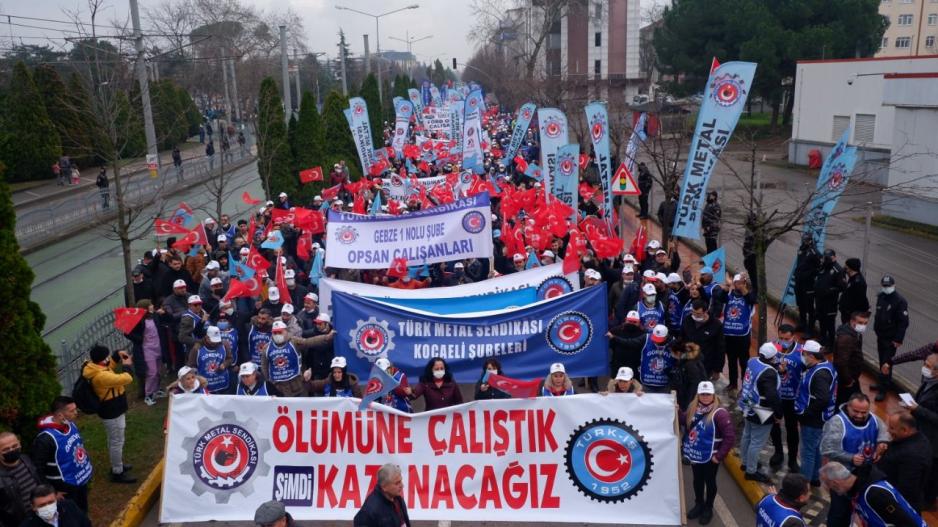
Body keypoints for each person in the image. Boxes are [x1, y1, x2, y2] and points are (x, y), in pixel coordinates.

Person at [821, 392, 890, 527]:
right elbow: (826, 449)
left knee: (859, 511)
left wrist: (882, 444)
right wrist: (850, 458)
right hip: (841, 477)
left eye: (863, 412)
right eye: (856, 411)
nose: (859, 415)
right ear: (848, 407)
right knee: (839, 512)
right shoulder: (836, 422)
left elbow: (884, 434)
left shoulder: (875, 420)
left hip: (865, 476)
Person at [81, 345, 136, 484]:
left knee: (114, 440)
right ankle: (117, 471)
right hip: (112, 411)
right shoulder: (101, 376)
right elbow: (127, 378)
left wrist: (117, 354)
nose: (108, 358)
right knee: (117, 442)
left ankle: (118, 465)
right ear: (101, 360)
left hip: (113, 409)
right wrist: (127, 364)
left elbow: (109, 365)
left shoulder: (95, 368)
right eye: (106, 356)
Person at [682, 381, 733, 525]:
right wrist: (675, 408)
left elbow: (729, 437)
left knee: (710, 481)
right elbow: (683, 420)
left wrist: (719, 456)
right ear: (698, 395)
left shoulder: (720, 414)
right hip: (695, 454)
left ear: (713, 395)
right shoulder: (693, 408)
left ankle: (708, 508)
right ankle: (699, 504)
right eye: (703, 394)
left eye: (708, 394)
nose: (705, 397)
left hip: (711, 457)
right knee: (697, 480)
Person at [893, 349, 938, 511]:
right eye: (925, 363)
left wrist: (917, 409)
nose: (924, 367)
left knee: (931, 472)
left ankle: (928, 500)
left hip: (934, 439)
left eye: (928, 365)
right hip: (922, 431)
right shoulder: (928, 381)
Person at [31, 397, 92, 512]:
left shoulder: (70, 425)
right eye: (72, 411)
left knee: (83, 512)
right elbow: (37, 469)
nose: (76, 413)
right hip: (64, 489)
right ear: (60, 415)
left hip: (79, 481)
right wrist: (52, 492)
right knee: (71, 516)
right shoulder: (45, 439)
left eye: (75, 409)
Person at [820, 461, 926, 527]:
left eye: (828, 486)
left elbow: (907, 523)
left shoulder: (875, 494)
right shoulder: (856, 490)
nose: (830, 491)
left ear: (835, 483)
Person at [738, 343, 782, 484]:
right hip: (761, 409)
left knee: (747, 435)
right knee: (756, 442)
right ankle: (751, 471)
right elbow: (772, 396)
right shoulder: (769, 373)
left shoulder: (753, 361)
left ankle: (745, 462)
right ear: (772, 357)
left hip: (747, 403)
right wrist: (779, 414)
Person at [877, 412, 933, 513]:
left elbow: (906, 489)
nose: (888, 430)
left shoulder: (912, 455)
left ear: (904, 430)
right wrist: (886, 446)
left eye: (892, 428)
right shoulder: (919, 438)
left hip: (896, 506)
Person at [264, 321, 335, 396]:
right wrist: (270, 382)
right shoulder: (267, 348)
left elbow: (309, 342)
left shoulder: (293, 341)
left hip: (296, 387)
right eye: (275, 333)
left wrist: (326, 337)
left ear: (285, 331)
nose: (277, 335)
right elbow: (264, 366)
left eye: (279, 332)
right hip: (278, 389)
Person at [712, 273, 757, 391]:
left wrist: (744, 289)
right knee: (731, 361)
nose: (738, 285)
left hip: (743, 336)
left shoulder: (749, 296)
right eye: (736, 282)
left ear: (745, 283)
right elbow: (720, 297)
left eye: (741, 283)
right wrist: (727, 287)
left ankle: (745, 386)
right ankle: (733, 384)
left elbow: (752, 299)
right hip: (728, 335)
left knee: (744, 362)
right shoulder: (729, 295)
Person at [769, 325, 804, 471]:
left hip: (793, 398)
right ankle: (778, 452)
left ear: (793, 337)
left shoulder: (801, 352)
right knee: (774, 425)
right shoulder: (772, 348)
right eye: (781, 338)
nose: (783, 341)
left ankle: (792, 459)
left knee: (792, 429)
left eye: (787, 339)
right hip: (776, 396)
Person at [872, 274, 909, 402]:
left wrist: (898, 339)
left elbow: (903, 322)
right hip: (881, 335)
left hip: (891, 338)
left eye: (888, 286)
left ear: (893, 285)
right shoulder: (881, 296)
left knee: (887, 363)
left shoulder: (900, 301)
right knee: (882, 360)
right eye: (884, 286)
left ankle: (883, 388)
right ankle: (882, 382)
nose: (886, 288)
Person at [0, 432, 42, 526]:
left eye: (15, 446)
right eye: (6, 449)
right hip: (19, 522)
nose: (11, 450)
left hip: (42, 514)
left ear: (20, 443)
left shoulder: (26, 459)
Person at [681, 299, 725, 383]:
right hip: (688, 363)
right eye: (693, 312)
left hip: (706, 366)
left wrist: (717, 369)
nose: (694, 315)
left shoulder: (716, 325)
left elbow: (720, 348)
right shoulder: (687, 320)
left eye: (698, 314)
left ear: (705, 312)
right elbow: (682, 339)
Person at [833, 311, 869, 406]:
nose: (863, 326)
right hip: (847, 379)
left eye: (865, 323)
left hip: (851, 376)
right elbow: (842, 362)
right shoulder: (847, 338)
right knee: (848, 402)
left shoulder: (855, 333)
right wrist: (848, 380)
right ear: (852, 321)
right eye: (860, 322)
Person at [187, 326, 233, 394]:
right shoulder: (197, 348)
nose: (215, 343)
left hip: (222, 384)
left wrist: (224, 364)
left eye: (217, 340)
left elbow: (230, 359)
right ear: (207, 337)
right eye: (213, 340)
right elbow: (191, 366)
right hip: (205, 386)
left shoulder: (224, 345)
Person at [19, 484, 91, 527]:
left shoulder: (69, 506)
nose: (47, 507)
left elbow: (85, 524)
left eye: (51, 502)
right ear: (33, 507)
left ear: (56, 499)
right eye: (42, 505)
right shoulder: (27, 525)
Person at [814, 249, 844, 347]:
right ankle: (822, 340)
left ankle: (831, 345)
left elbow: (841, 287)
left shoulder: (838, 270)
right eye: (825, 257)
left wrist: (829, 290)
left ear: (834, 257)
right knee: (821, 321)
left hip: (830, 303)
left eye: (828, 257)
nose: (826, 259)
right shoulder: (823, 266)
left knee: (830, 324)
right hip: (820, 300)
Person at [670, 341, 708, 411]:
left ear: (678, 352)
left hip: (689, 402)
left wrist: (687, 405)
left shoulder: (690, 365)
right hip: (685, 398)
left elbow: (693, 387)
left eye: (672, 352)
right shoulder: (683, 362)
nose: (671, 354)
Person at [794, 236, 819, 335]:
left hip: (808, 284)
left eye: (807, 240)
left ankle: (810, 329)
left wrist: (809, 275)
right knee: (801, 304)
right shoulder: (801, 249)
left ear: (810, 241)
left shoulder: (814, 252)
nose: (805, 242)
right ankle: (802, 324)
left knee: (809, 307)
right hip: (799, 281)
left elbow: (819, 267)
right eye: (804, 240)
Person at [839, 258, 869, 325]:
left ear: (850, 268)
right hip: (847, 314)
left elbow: (859, 301)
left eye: (846, 267)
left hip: (852, 316)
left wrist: (849, 313)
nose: (844, 268)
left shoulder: (858, 282)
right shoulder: (852, 278)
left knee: (850, 331)